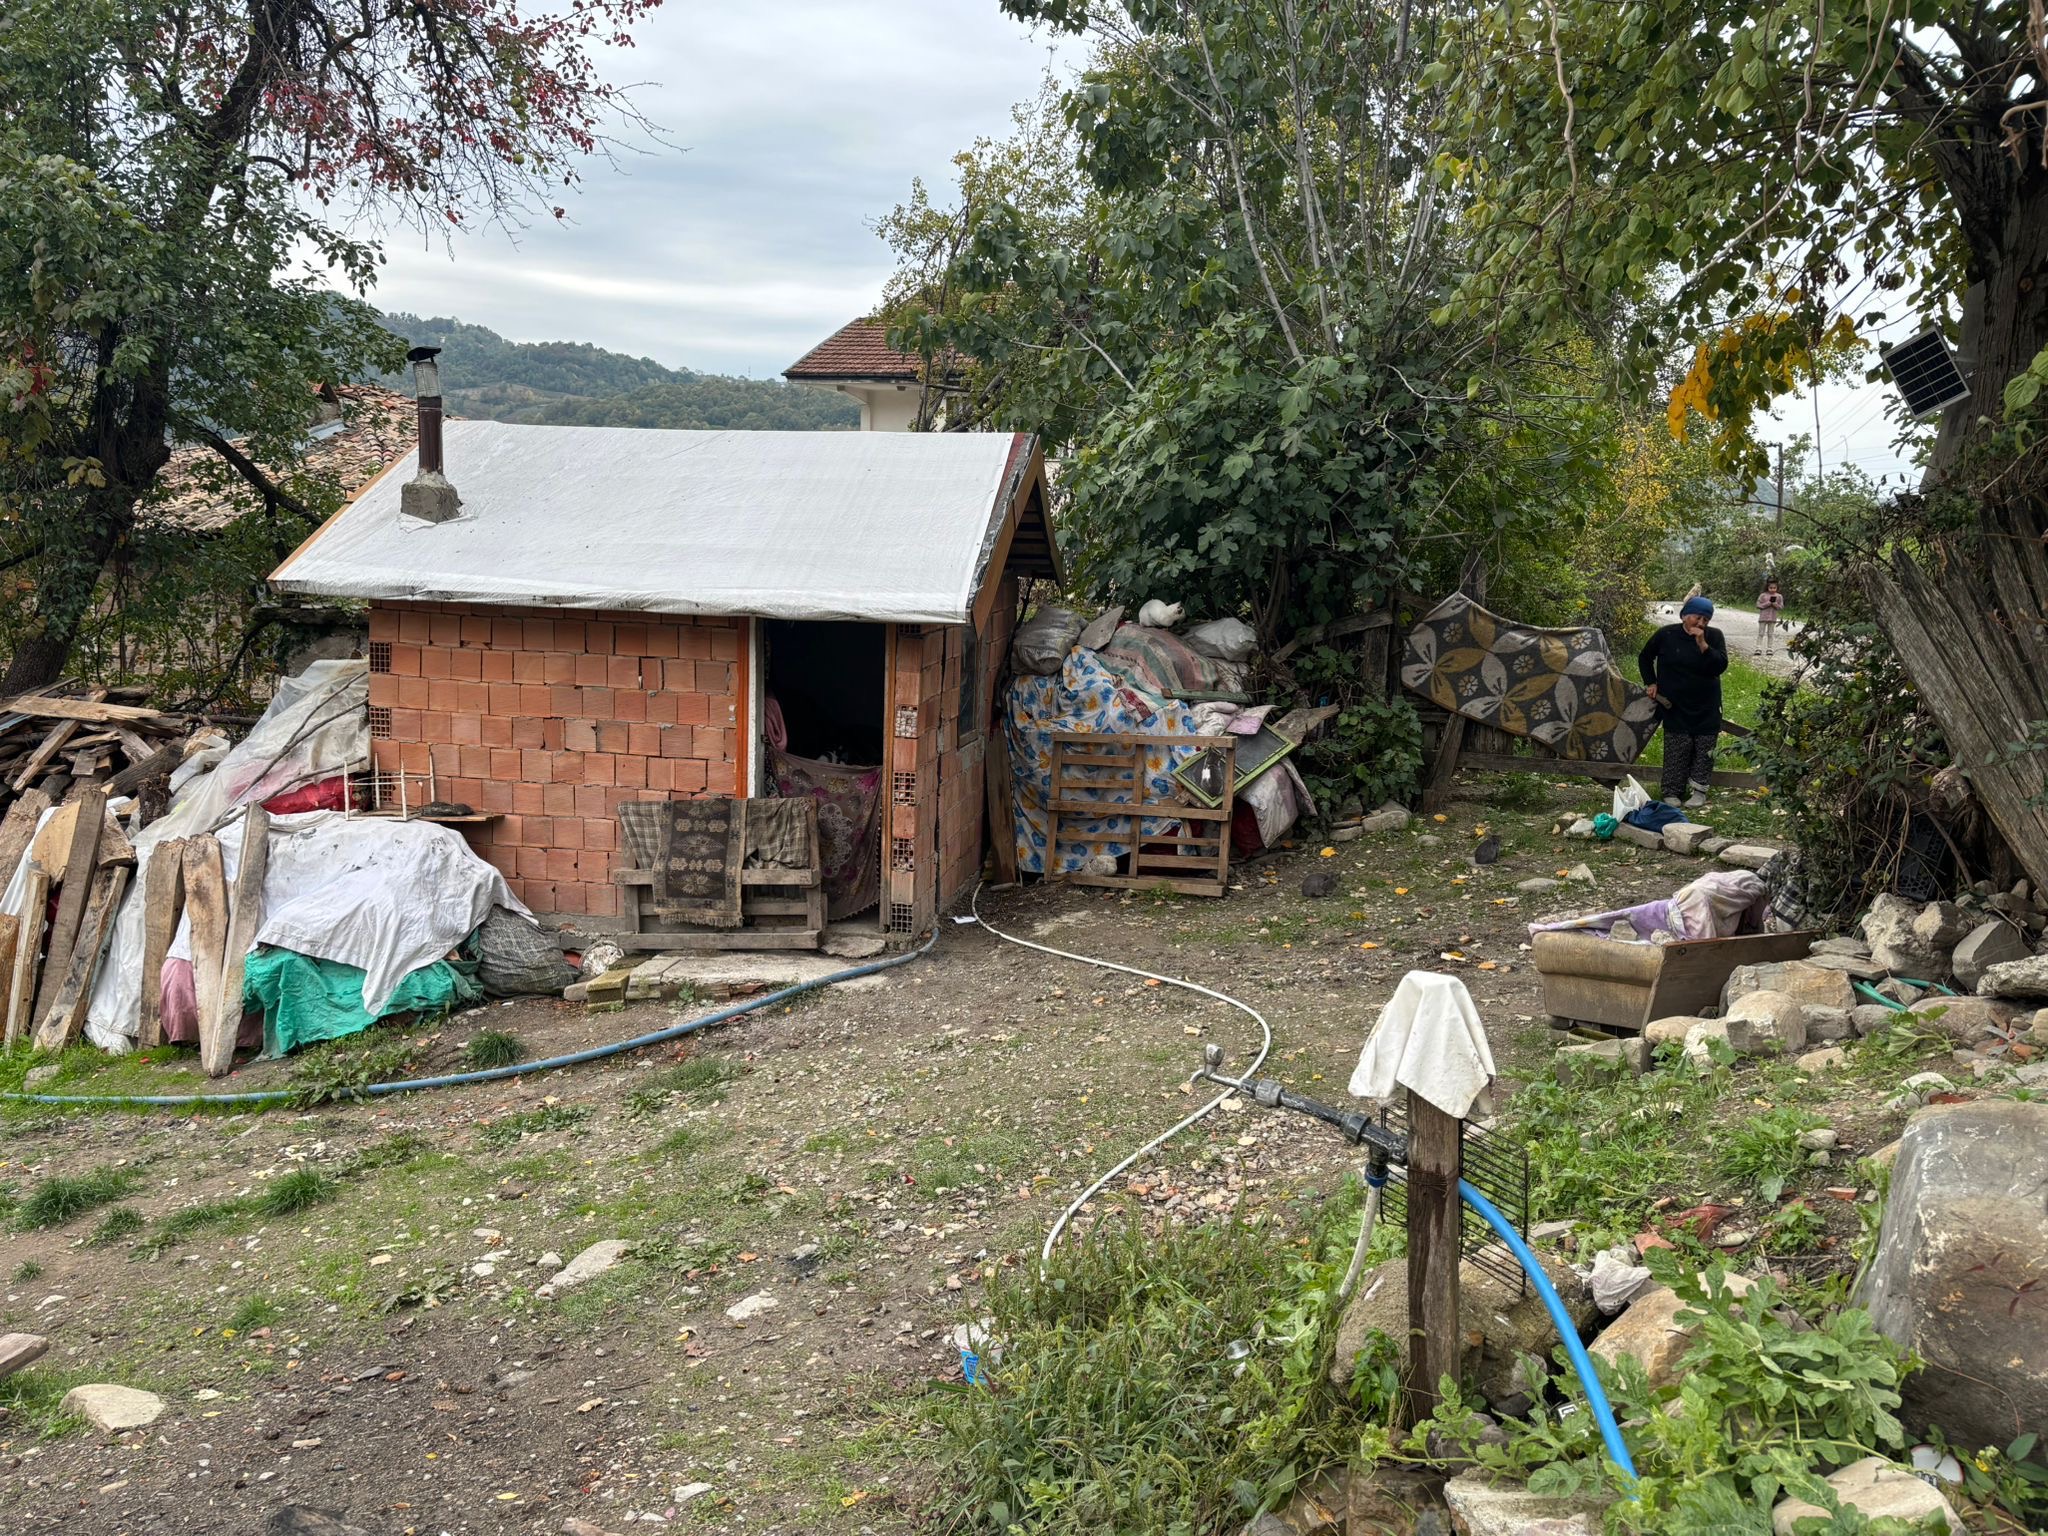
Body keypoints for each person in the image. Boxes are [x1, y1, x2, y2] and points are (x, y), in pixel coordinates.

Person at [1639, 595, 1728, 809]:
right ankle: (1672, 791)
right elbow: (1645, 657)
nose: (1701, 623)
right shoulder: (1666, 634)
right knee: (1677, 747)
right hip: (1675, 703)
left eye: (1705, 620)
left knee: (1704, 747)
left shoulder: (1714, 637)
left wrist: (1702, 644)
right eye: (1697, 617)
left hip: (1706, 703)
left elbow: (1720, 665)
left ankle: (1699, 791)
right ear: (1685, 616)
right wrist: (1651, 682)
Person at [1755, 578, 1784, 656]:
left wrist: (1774, 604)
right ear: (1767, 587)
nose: (1772, 589)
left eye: (1774, 588)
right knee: (1761, 633)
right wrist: (1768, 603)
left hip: (1772, 618)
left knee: (1770, 634)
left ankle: (1769, 648)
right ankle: (1758, 648)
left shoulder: (1779, 596)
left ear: (1777, 588)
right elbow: (1758, 605)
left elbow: (1781, 607)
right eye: (1771, 588)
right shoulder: (1763, 595)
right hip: (1763, 618)